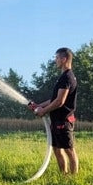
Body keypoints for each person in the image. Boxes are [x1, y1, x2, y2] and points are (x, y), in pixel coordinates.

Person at [30, 47, 79, 175]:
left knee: (69, 150)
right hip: (57, 120)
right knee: (57, 149)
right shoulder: (62, 77)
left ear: (64, 59)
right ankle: (64, 176)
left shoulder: (67, 77)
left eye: (57, 58)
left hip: (64, 120)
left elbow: (60, 101)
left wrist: (43, 111)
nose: (55, 60)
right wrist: (39, 106)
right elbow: (54, 99)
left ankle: (74, 178)